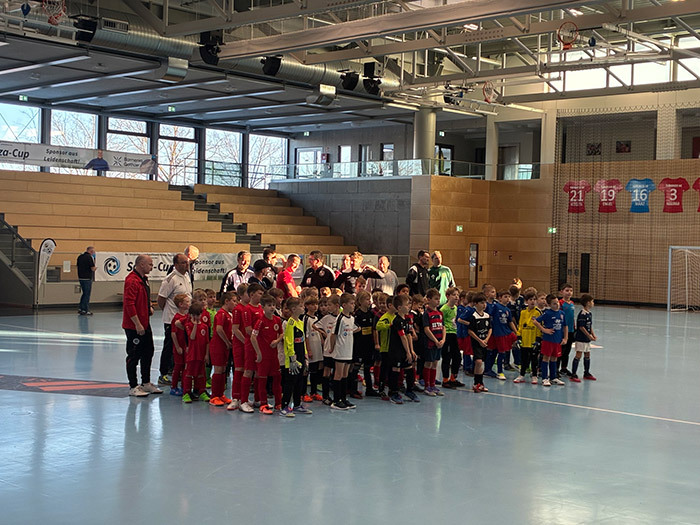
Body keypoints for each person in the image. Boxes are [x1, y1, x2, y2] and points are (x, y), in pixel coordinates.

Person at [122, 254, 162, 397]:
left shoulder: (144, 279)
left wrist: (148, 306)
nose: (152, 267)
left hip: (145, 324)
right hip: (134, 326)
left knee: (148, 352)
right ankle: (133, 386)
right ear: (141, 264)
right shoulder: (132, 281)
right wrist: (137, 324)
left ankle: (146, 382)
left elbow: (143, 297)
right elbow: (129, 304)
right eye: (150, 264)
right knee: (134, 355)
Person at [156, 253, 192, 386]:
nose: (186, 265)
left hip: (185, 318)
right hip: (172, 319)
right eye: (183, 262)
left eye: (187, 262)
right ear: (176, 265)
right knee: (169, 346)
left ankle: (178, 371)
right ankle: (163, 374)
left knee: (183, 345)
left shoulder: (187, 276)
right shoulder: (170, 279)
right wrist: (168, 312)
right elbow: (161, 298)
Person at [251, 295, 283, 415]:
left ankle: (278, 403)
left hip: (274, 356)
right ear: (263, 307)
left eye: (273, 305)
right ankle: (263, 404)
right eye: (269, 305)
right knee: (262, 380)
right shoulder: (260, 321)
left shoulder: (277, 320)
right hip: (263, 357)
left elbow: (281, 333)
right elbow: (253, 337)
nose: (272, 307)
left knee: (276, 379)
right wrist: (258, 353)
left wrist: (277, 341)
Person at [281, 297, 313, 416]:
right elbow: (289, 341)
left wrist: (305, 356)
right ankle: (284, 406)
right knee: (290, 382)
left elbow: (302, 340)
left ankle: (297, 404)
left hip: (301, 356)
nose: (303, 308)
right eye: (301, 306)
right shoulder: (290, 323)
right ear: (294, 309)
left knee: (300, 381)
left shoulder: (300, 322)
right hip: (292, 359)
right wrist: (292, 358)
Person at [329, 293, 359, 410]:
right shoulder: (340, 318)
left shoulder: (351, 318)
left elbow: (355, 329)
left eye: (354, 303)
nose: (353, 305)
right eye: (351, 303)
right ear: (344, 305)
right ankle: (336, 400)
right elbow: (333, 335)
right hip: (340, 350)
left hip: (348, 350)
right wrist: (332, 348)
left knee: (345, 374)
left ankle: (343, 398)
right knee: (338, 374)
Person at [387, 294, 419, 404]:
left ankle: (409, 390)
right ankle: (393, 392)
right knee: (396, 369)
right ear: (400, 307)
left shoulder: (406, 320)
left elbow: (409, 335)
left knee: (409, 368)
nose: (409, 306)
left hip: (405, 349)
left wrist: (412, 350)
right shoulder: (397, 321)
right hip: (396, 350)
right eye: (407, 305)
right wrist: (407, 352)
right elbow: (403, 337)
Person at [239, 283, 265, 413]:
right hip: (251, 344)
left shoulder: (261, 308)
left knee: (259, 371)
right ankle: (243, 401)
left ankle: (257, 399)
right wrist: (258, 336)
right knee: (248, 371)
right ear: (252, 294)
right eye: (259, 293)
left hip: (260, 344)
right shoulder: (247, 309)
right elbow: (248, 329)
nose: (261, 296)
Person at [532, 294, 568, 387]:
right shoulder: (547, 313)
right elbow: (535, 321)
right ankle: (545, 378)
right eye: (554, 303)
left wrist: (565, 338)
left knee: (554, 358)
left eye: (557, 303)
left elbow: (565, 326)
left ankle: (553, 377)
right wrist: (544, 330)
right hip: (548, 340)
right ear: (549, 305)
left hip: (557, 340)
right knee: (546, 358)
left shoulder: (562, 313)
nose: (557, 305)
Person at [208, 291, 236, 407]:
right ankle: (214, 396)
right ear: (226, 301)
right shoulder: (221, 314)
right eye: (234, 301)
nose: (235, 303)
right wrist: (227, 341)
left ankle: (221, 394)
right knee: (218, 370)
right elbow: (219, 329)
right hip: (218, 345)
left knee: (224, 370)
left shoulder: (228, 315)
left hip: (225, 346)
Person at [182, 302, 210, 403]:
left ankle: (201, 391)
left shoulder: (205, 327)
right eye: (194, 315)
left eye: (198, 315)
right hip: (191, 354)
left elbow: (207, 342)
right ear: (190, 315)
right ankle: (186, 393)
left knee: (201, 374)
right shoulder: (188, 325)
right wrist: (195, 325)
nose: (196, 317)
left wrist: (206, 355)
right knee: (189, 374)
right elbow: (192, 337)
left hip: (201, 354)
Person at [227, 283, 249, 411]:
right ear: (241, 295)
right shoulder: (238, 309)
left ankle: (243, 397)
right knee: (239, 369)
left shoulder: (251, 308)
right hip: (239, 344)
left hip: (248, 343)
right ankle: (235, 397)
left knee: (247, 370)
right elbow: (235, 329)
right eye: (247, 293)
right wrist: (245, 341)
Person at [513, 291, 542, 385]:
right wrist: (519, 337)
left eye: (534, 299)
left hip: (533, 340)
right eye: (530, 299)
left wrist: (538, 340)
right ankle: (522, 375)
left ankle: (534, 375)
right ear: (526, 301)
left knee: (534, 359)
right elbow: (520, 325)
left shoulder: (538, 312)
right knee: (524, 359)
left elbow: (539, 327)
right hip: (525, 340)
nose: (532, 301)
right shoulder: (523, 312)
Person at [422, 288, 445, 396]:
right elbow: (426, 329)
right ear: (429, 299)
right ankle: (427, 386)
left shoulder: (440, 313)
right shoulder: (427, 314)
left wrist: (443, 339)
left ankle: (433, 385)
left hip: (439, 343)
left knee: (435, 363)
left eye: (438, 299)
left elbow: (443, 327)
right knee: (429, 363)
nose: (438, 301)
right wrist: (435, 340)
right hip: (430, 343)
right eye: (435, 299)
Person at [490, 290, 518, 381]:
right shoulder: (496, 307)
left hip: (506, 332)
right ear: (500, 298)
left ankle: (517, 362)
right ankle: (499, 371)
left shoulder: (508, 310)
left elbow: (510, 322)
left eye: (508, 297)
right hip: (498, 333)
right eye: (505, 297)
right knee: (501, 353)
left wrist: (516, 332)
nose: (507, 299)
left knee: (517, 343)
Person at [440, 287, 464, 388]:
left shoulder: (455, 308)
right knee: (447, 357)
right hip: (447, 334)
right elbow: (441, 323)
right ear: (448, 296)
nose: (456, 297)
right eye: (454, 295)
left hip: (454, 333)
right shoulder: (443, 309)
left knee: (457, 356)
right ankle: (445, 379)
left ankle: (453, 378)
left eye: (457, 295)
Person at [467, 293, 492, 393]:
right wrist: (479, 340)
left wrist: (486, 340)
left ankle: (481, 383)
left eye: (485, 302)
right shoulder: (473, 316)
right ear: (476, 304)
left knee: (482, 363)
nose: (484, 305)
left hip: (484, 343)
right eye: (481, 303)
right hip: (476, 343)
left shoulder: (487, 316)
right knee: (478, 362)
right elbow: (470, 331)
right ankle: (476, 383)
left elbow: (490, 329)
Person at [571, 294, 597, 382]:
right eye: (592, 301)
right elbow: (581, 327)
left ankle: (586, 373)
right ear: (588, 303)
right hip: (581, 338)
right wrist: (588, 335)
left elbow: (590, 325)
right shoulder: (582, 314)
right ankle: (573, 374)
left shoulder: (589, 313)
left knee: (587, 354)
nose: (593, 303)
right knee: (578, 355)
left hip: (587, 339)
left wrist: (593, 334)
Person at [169, 293, 191, 396]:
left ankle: (183, 386)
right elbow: (173, 333)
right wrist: (177, 346)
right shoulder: (176, 318)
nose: (189, 303)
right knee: (178, 367)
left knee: (185, 367)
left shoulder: (187, 317)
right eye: (187, 302)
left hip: (185, 346)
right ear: (181, 304)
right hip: (179, 346)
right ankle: (173, 387)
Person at [558, 283, 576, 377]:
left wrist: (574, 327)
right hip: (562, 331)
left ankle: (564, 368)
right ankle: (555, 369)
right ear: (562, 292)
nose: (569, 292)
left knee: (567, 351)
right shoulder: (560, 303)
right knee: (560, 350)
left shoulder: (572, 303)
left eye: (571, 291)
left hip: (571, 330)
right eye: (567, 290)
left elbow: (572, 317)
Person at [76, 246, 96, 316]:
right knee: (87, 294)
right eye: (93, 252)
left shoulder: (80, 257)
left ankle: (81, 308)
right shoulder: (89, 257)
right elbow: (92, 268)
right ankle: (85, 310)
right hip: (87, 278)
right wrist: (95, 268)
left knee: (84, 294)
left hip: (81, 277)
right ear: (91, 251)